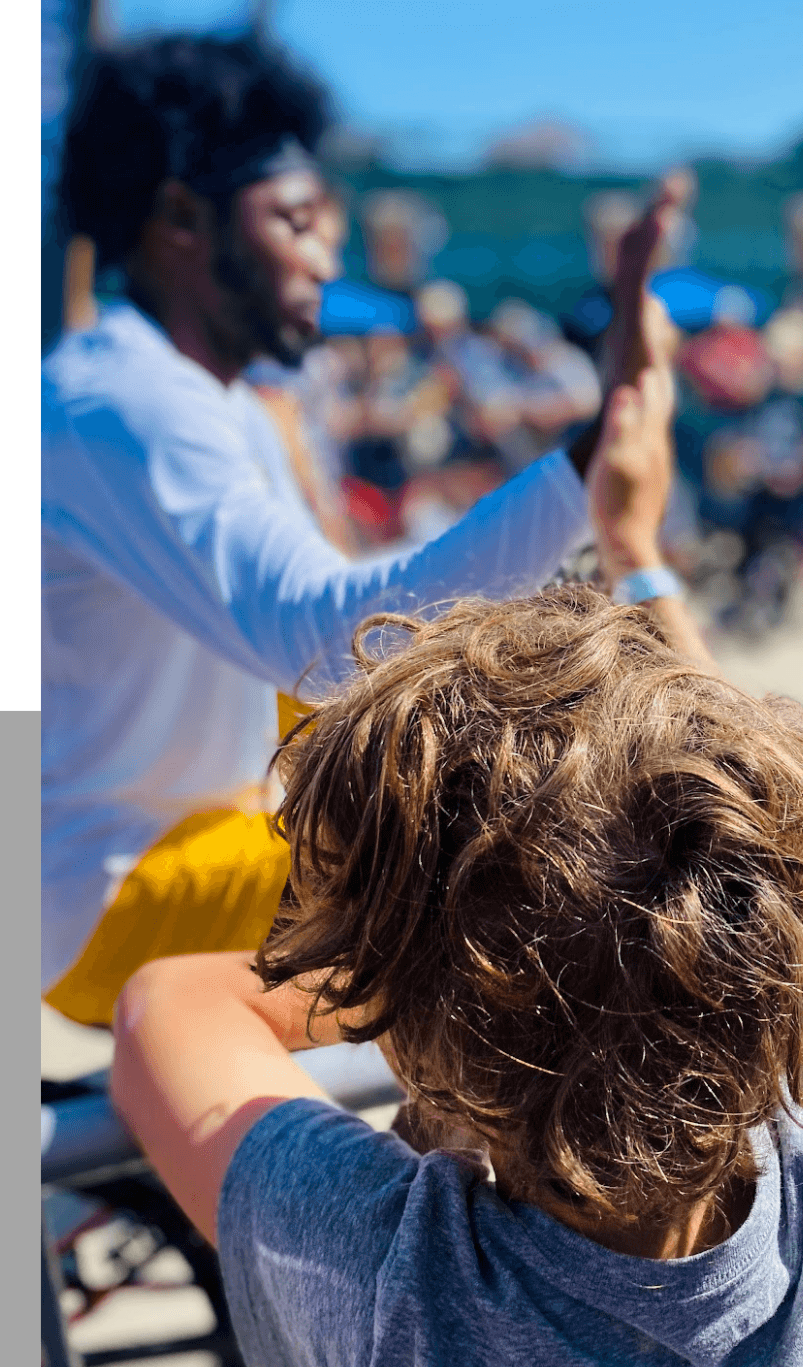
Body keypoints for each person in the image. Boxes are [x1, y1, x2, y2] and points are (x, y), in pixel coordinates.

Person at [109, 365, 803, 1367]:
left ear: (425, 1030)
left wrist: (405, 972)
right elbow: (736, 814)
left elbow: (165, 1005)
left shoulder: (405, 1289)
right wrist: (637, 554)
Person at [42, 30, 675, 1028]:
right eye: (296, 219)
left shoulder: (215, 400)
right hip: (119, 896)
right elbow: (337, 646)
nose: (327, 252)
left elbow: (330, 641)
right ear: (178, 219)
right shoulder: (120, 398)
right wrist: (595, 450)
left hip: (206, 838)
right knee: (533, 884)